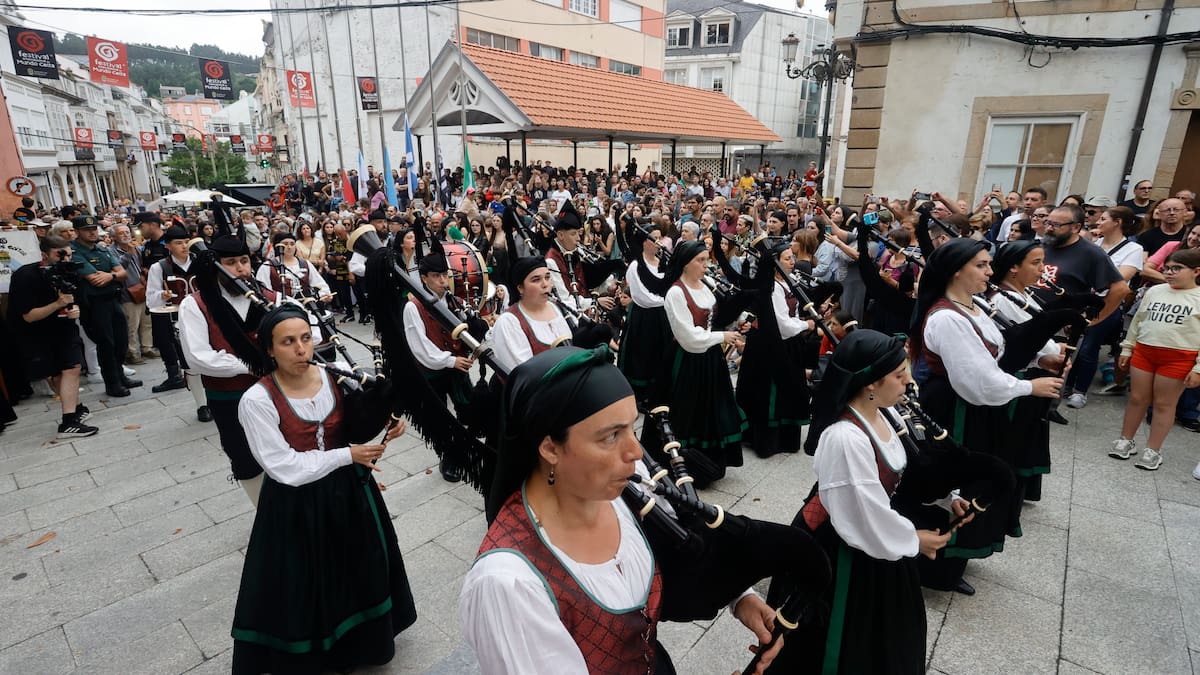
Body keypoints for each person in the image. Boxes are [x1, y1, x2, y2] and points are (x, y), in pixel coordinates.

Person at [461, 346, 783, 674]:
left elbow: (684, 542)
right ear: (550, 448)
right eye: (611, 436)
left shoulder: (620, 485)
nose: (635, 451)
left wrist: (740, 597)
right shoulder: (510, 585)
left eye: (632, 426)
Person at [770, 330, 968, 674]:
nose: (908, 381)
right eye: (899, 375)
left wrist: (948, 497)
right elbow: (862, 515)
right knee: (844, 642)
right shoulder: (845, 438)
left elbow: (910, 468)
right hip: (846, 547)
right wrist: (913, 540)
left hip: (875, 535)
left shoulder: (885, 413)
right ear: (871, 384)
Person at [231, 305, 416, 673]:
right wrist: (347, 455)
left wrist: (388, 420)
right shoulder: (257, 400)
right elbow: (283, 466)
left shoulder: (335, 374)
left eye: (305, 338)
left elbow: (357, 421)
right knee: (306, 579)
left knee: (358, 566)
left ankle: (364, 645)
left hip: (350, 494)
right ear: (269, 349)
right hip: (295, 504)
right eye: (287, 342)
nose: (301, 349)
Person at [908, 238, 1063, 594]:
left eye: (988, 263)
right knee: (957, 482)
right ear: (955, 271)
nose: (990, 272)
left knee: (976, 479)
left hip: (975, 408)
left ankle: (954, 557)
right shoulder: (947, 317)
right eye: (981, 265)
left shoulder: (974, 304)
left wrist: (1040, 359)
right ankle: (938, 565)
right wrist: (1029, 387)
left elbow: (996, 355)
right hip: (956, 408)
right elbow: (976, 381)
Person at [179, 236, 279, 504]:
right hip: (229, 397)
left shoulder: (267, 297)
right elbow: (198, 358)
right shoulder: (195, 304)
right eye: (231, 262)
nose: (240, 268)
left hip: (274, 392)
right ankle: (263, 511)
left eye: (244, 261)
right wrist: (251, 366)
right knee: (244, 456)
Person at [657, 240, 746, 486]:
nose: (706, 265)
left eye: (707, 259)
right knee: (689, 410)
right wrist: (722, 337)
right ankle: (686, 463)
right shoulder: (676, 292)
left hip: (710, 357)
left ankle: (711, 461)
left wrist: (736, 323)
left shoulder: (705, 284)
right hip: (688, 360)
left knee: (711, 407)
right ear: (686, 263)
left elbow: (714, 318)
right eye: (701, 260)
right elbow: (688, 337)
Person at [1107, 248, 1200, 473]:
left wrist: (1198, 368)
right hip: (1145, 352)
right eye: (1166, 268)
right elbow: (1138, 321)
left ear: (1196, 271)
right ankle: (1126, 439)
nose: (1169, 272)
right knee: (1137, 398)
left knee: (1164, 404)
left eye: (1177, 268)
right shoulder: (1155, 291)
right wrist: (1127, 348)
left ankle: (1153, 450)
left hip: (1179, 357)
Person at [8, 235, 98, 438]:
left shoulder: (70, 271)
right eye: (60, 255)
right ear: (44, 255)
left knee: (72, 368)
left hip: (63, 328)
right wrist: (58, 304)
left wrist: (74, 309)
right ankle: (71, 418)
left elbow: (75, 298)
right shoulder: (25, 276)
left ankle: (72, 416)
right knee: (56, 373)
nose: (65, 259)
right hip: (35, 333)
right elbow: (28, 316)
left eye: (69, 254)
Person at [401, 253, 475, 481]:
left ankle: (468, 450)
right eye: (436, 276)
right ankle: (449, 458)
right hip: (431, 371)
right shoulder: (413, 307)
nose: (443, 281)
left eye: (445, 275)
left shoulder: (455, 301)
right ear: (424, 278)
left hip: (458, 367)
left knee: (470, 410)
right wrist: (450, 360)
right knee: (440, 418)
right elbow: (420, 347)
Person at [736, 242, 815, 457]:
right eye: (787, 259)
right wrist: (806, 325)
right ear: (775, 264)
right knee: (770, 391)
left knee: (787, 390)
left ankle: (785, 438)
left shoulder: (788, 282)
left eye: (792, 257)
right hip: (771, 346)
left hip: (788, 344)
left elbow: (792, 315)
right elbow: (782, 325)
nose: (792, 262)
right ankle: (766, 441)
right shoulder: (771, 289)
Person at [70, 215, 142, 397]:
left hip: (112, 299)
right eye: (87, 230)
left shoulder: (102, 250)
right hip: (94, 304)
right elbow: (94, 279)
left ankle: (120, 376)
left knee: (121, 340)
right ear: (77, 232)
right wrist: (113, 275)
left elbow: (122, 273)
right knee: (106, 344)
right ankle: (112, 383)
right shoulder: (74, 252)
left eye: (94, 229)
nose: (92, 232)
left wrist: (111, 275)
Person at [145, 226, 211, 418]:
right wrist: (162, 295)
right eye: (178, 243)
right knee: (190, 363)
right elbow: (150, 298)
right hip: (178, 321)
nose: (184, 246)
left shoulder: (199, 262)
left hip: (205, 317)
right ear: (168, 246)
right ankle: (202, 405)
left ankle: (214, 398)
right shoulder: (159, 268)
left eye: (186, 242)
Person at [616, 223, 672, 406]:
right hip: (644, 318)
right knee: (643, 355)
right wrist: (668, 300)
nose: (658, 242)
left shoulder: (663, 263)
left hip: (662, 317)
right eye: (654, 238)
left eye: (660, 237)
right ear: (644, 241)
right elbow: (643, 296)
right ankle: (641, 394)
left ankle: (658, 392)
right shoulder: (636, 266)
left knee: (660, 353)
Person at [491, 257, 573, 374]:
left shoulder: (559, 307)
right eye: (536, 280)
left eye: (547, 277)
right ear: (520, 288)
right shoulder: (509, 322)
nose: (545, 284)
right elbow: (523, 375)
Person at [256, 231, 333, 302]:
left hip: (307, 306)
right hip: (282, 308)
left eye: (292, 244)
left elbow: (319, 283)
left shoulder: (305, 263)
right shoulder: (267, 266)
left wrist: (324, 295)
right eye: (285, 244)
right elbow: (265, 291)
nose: (289, 247)